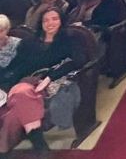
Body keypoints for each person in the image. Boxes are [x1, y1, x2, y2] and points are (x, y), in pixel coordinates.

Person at [0, 8, 87, 152]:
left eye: (54, 19)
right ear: (41, 23)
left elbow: (78, 61)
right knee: (20, 97)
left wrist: (49, 78)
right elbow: (16, 67)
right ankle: (37, 146)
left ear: (61, 21)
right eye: (46, 20)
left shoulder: (70, 39)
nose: (50, 23)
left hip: (53, 85)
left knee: (19, 98)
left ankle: (14, 147)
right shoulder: (29, 43)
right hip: (28, 83)